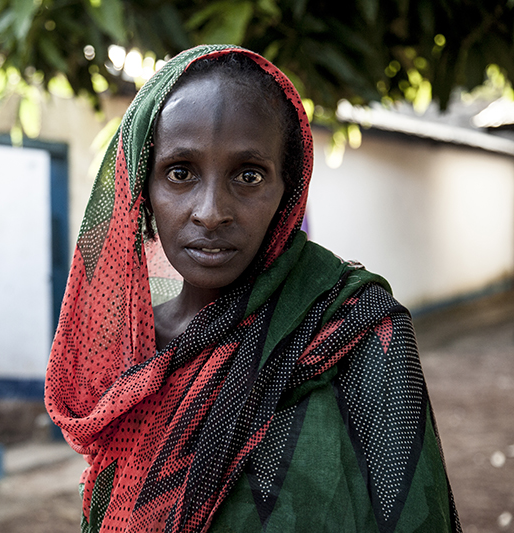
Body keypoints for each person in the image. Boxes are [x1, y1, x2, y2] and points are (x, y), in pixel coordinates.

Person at [44, 45, 460, 533]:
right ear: (143, 188)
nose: (211, 211)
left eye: (248, 176)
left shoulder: (355, 328)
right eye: (180, 172)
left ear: (288, 188)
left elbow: (419, 516)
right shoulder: (125, 354)